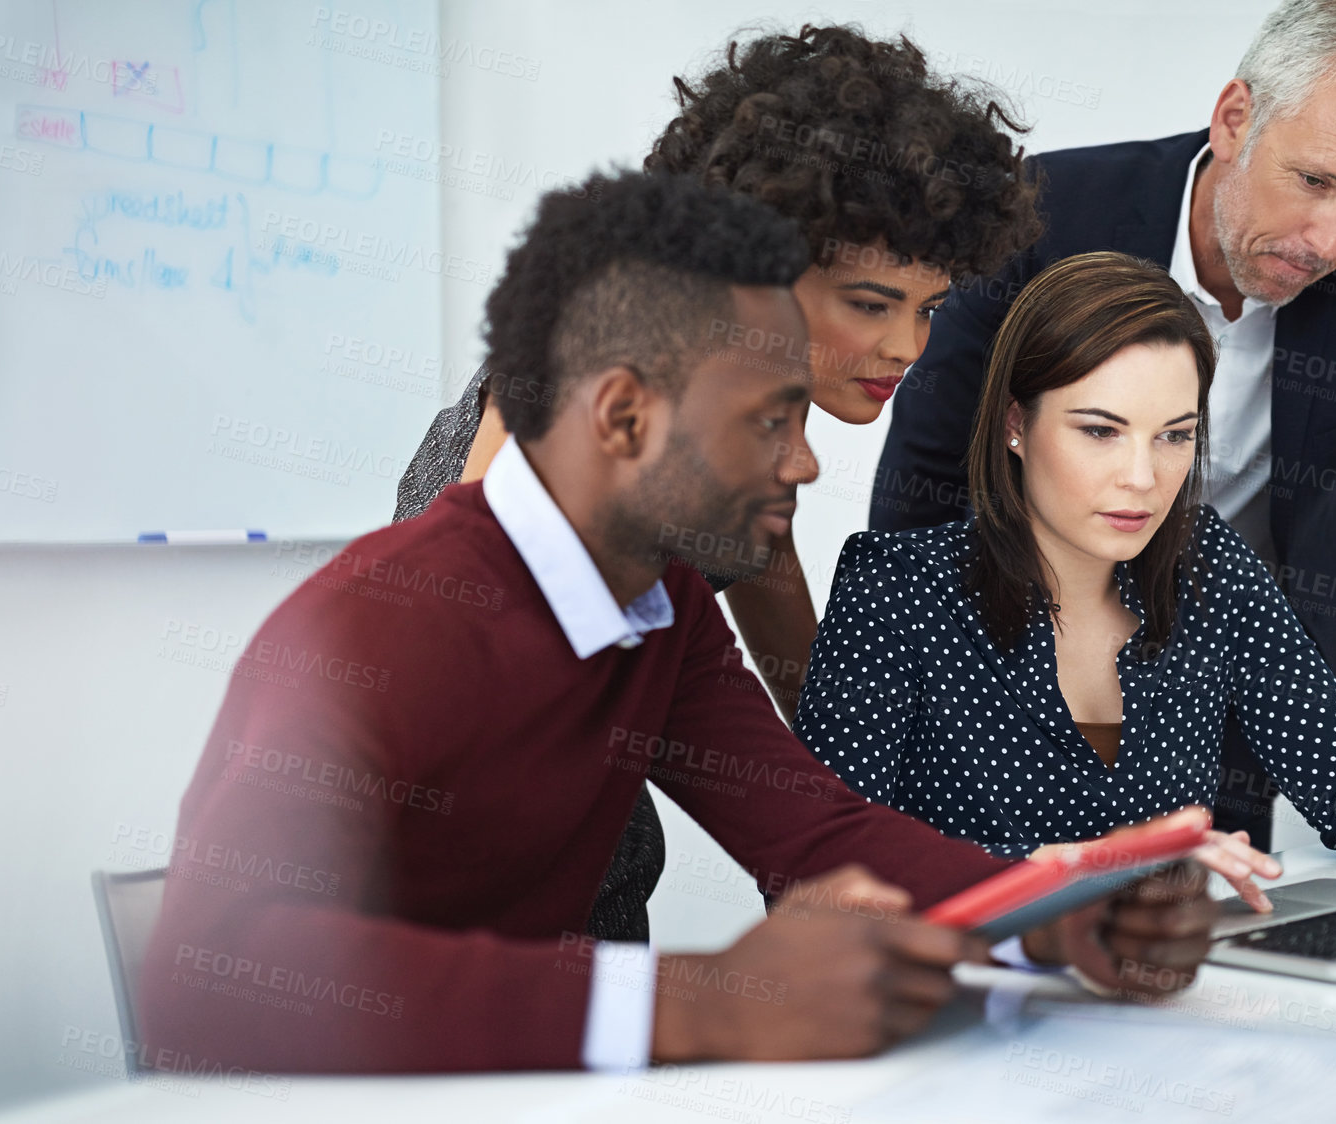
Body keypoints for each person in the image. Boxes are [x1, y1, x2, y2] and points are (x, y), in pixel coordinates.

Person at [137, 173, 1218, 1075]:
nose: (800, 462)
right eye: (765, 420)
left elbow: (814, 830)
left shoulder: (662, 602)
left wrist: (1047, 914)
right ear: (622, 415)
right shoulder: (380, 628)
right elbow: (209, 984)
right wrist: (699, 1000)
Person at [867, 0, 1336, 853]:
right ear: (1233, 118)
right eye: (1314, 181)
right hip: (1027, 638)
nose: (1329, 239)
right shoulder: (1046, 213)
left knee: (1225, 926)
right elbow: (929, 470)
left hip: (1262, 646)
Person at [393, 23, 1044, 944]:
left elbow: (767, 657)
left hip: (591, 906)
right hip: (469, 930)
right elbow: (486, 650)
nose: (907, 348)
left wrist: (1047, 890)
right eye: (870, 304)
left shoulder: (738, 393)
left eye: (928, 310)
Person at [795, 251, 1336, 925]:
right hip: (959, 1017)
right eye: (1100, 432)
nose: (1143, 478)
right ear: (1017, 425)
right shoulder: (895, 591)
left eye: (1173, 435)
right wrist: (1081, 869)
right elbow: (818, 880)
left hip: (1170, 1007)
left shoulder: (1204, 565)